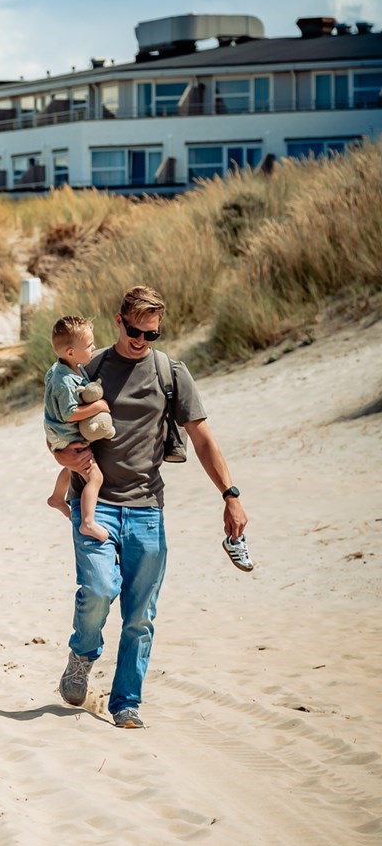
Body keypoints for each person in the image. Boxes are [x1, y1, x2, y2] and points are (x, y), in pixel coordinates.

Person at [52, 285, 252, 730]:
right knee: (101, 589)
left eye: (152, 334)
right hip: (95, 501)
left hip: (147, 509)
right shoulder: (91, 366)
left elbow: (202, 437)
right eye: (136, 331)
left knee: (140, 616)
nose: (142, 341)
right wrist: (61, 457)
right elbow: (58, 426)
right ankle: (82, 654)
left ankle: (126, 702)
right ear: (119, 321)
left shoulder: (169, 372)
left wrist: (230, 494)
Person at [44, 315, 115, 542]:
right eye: (89, 345)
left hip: (57, 434)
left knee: (71, 468)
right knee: (94, 476)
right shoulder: (64, 382)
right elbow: (69, 413)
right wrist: (98, 407)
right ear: (71, 352)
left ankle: (56, 498)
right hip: (64, 436)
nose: (93, 348)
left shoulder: (66, 367)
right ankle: (88, 523)